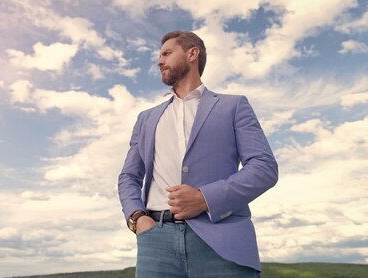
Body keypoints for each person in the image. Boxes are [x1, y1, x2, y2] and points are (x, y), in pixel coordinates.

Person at [118, 30, 278, 277]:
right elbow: (129, 176)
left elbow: (264, 167)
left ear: (192, 54)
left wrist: (205, 198)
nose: (159, 61)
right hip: (155, 242)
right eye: (159, 55)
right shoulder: (146, 119)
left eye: (167, 53)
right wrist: (137, 218)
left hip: (223, 242)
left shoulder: (233, 106)